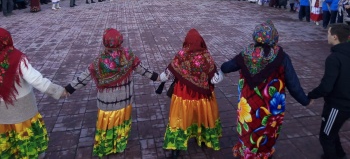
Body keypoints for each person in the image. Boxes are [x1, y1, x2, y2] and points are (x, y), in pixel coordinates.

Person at [220, 20, 311, 159]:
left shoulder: (247, 53)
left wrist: (222, 69)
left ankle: (247, 151)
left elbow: (227, 67)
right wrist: (305, 101)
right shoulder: (281, 56)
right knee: (268, 128)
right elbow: (293, 83)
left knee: (247, 127)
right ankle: (264, 153)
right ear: (274, 37)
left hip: (248, 105)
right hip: (271, 105)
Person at [64, 28, 160, 157]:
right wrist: (158, 77)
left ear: (105, 42)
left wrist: (68, 89)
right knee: (122, 122)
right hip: (125, 100)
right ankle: (120, 144)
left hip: (106, 104)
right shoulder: (128, 56)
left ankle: (106, 146)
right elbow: (142, 69)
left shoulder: (98, 61)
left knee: (108, 125)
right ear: (120, 41)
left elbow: (84, 77)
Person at [0, 28, 65, 159]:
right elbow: (36, 79)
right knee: (28, 138)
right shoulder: (16, 58)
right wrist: (58, 91)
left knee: (8, 139)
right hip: (23, 110)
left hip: (2, 115)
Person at [159, 29, 222, 158]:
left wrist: (159, 78)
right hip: (203, 96)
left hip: (183, 95)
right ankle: (204, 138)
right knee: (202, 116)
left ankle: (176, 147)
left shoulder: (182, 55)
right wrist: (222, 74)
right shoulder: (206, 55)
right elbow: (214, 78)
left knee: (180, 119)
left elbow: (168, 74)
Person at [308, 24, 350, 159]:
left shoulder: (334, 58)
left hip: (338, 106)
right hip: (345, 104)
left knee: (326, 137)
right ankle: (340, 154)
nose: (327, 36)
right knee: (332, 131)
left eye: (328, 33)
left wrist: (311, 95)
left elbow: (326, 86)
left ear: (335, 37)